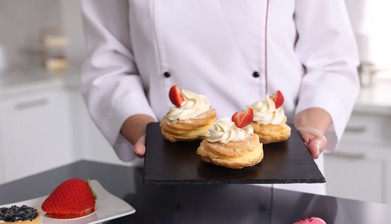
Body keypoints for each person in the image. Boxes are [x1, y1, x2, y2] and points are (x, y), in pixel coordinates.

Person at [80, 0, 360, 195]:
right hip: (169, 174)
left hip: (281, 184)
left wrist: (311, 126)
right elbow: (108, 66)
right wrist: (146, 132)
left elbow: (332, 61)